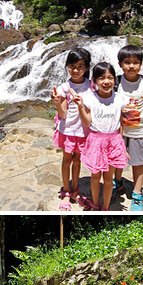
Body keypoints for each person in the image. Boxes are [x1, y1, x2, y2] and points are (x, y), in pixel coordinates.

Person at [72, 62, 127, 211]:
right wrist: (81, 107)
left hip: (114, 141)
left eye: (110, 77)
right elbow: (87, 122)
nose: (106, 81)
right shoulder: (89, 98)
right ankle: (96, 204)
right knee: (95, 177)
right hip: (96, 141)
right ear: (95, 81)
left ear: (115, 80)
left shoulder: (120, 98)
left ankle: (106, 206)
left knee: (109, 179)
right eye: (102, 78)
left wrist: (122, 144)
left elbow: (121, 123)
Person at [115, 44, 143, 211]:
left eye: (135, 62)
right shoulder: (116, 82)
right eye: (127, 62)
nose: (131, 66)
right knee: (117, 159)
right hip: (118, 131)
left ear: (141, 64)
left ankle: (137, 192)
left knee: (138, 162)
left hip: (139, 131)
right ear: (120, 64)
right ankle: (117, 183)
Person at [50, 48, 92, 210]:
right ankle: (66, 191)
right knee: (67, 160)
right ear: (67, 66)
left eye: (80, 66)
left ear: (87, 68)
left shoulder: (91, 86)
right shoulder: (63, 88)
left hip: (83, 131)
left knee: (77, 160)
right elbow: (63, 113)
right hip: (67, 130)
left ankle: (76, 190)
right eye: (72, 66)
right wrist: (56, 102)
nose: (76, 70)